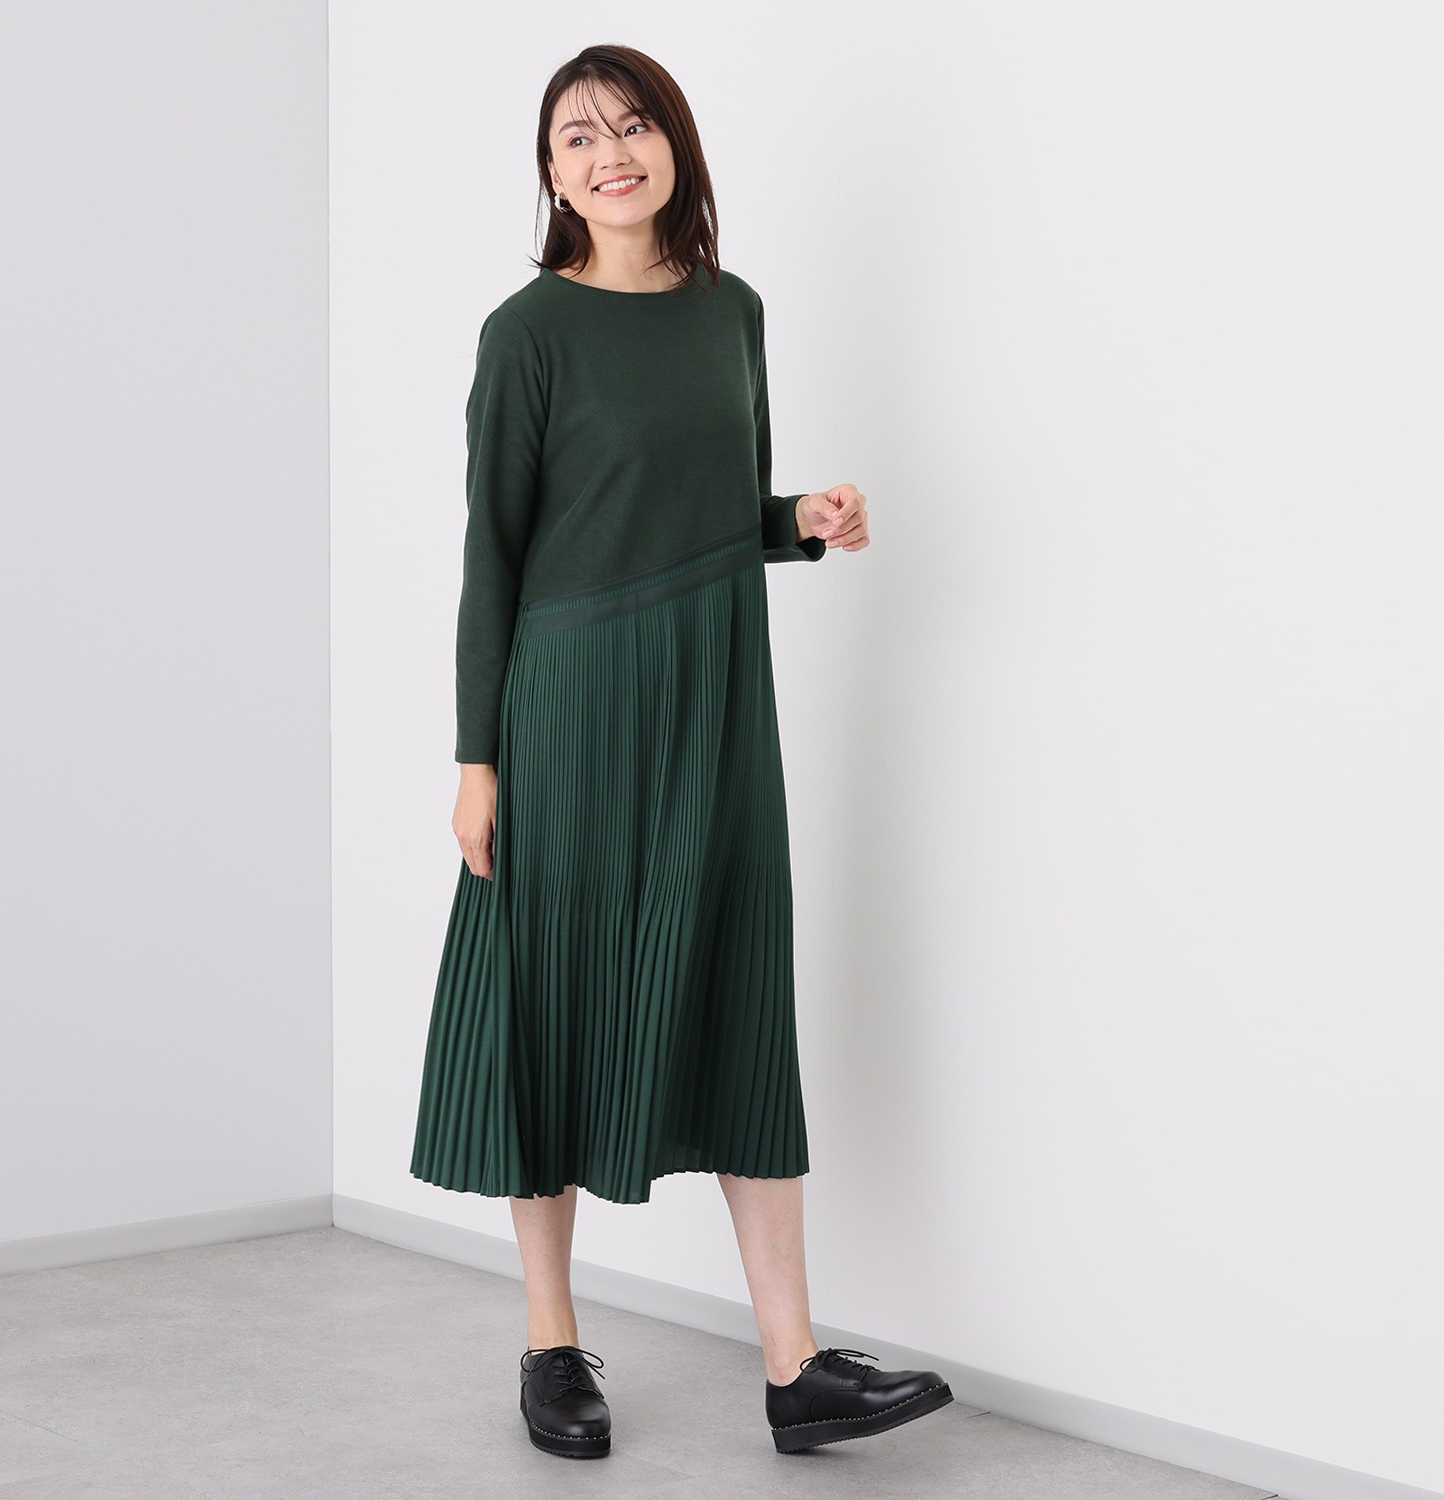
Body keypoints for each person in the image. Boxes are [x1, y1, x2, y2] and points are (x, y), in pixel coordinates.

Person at [409, 43, 954, 1458]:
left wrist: (800, 522)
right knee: (554, 1007)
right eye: (578, 137)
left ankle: (795, 1368)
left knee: (736, 993)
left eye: (635, 125)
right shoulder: (527, 333)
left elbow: (708, 509)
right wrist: (478, 759)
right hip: (572, 710)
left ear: (677, 146)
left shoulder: (733, 312)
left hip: (716, 703)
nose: (611, 154)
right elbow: (494, 555)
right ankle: (551, 1346)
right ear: (551, 174)